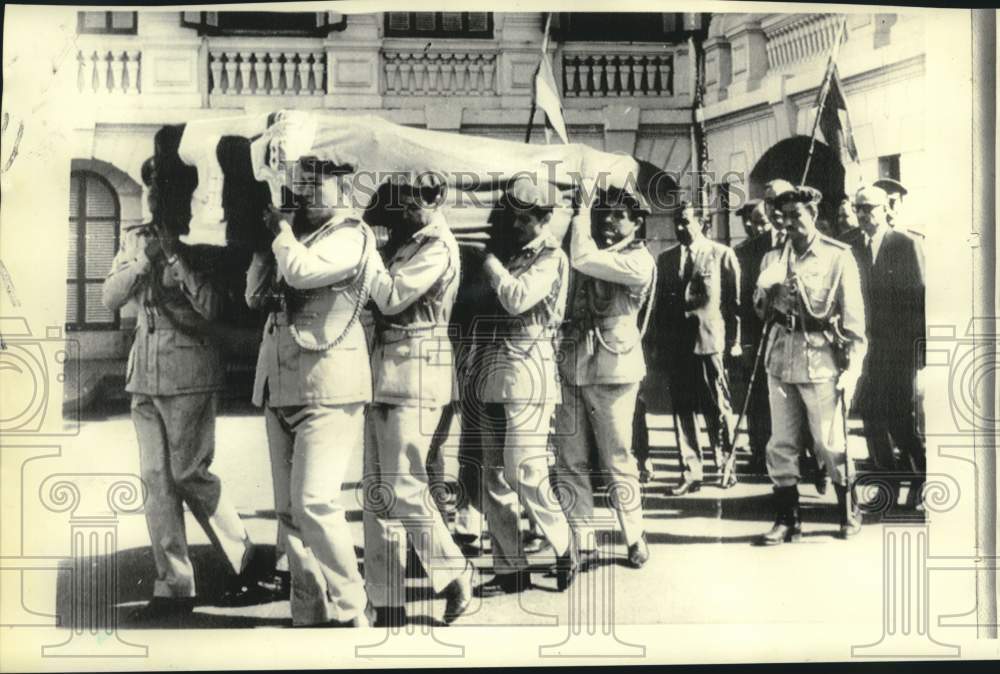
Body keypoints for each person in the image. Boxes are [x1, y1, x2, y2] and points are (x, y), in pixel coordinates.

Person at [103, 157, 269, 623]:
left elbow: (216, 305)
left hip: (190, 373)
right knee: (156, 483)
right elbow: (109, 297)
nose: (154, 194)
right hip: (145, 374)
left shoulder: (203, 239)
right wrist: (144, 263)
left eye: (164, 187)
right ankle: (173, 584)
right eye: (151, 186)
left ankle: (245, 559)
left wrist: (177, 258)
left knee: (189, 473)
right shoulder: (136, 239)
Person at [245, 156, 377, 627]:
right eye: (299, 183)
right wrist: (265, 247)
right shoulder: (296, 236)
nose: (302, 192)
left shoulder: (351, 235)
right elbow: (254, 296)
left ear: (344, 188)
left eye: (314, 184)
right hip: (280, 383)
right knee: (288, 511)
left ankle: (353, 604)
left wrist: (282, 233)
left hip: (328, 385)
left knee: (315, 503)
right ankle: (308, 608)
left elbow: (301, 273)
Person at [361, 179, 474, 626]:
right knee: (378, 491)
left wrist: (367, 248)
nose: (402, 218)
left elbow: (390, 298)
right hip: (384, 372)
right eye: (398, 210)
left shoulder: (438, 247)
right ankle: (387, 600)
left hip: (417, 372)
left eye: (408, 208)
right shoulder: (409, 242)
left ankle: (454, 573)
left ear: (433, 200)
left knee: (405, 485)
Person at [462, 177, 578, 595]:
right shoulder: (517, 253)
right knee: (492, 475)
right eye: (514, 217)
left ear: (547, 218)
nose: (516, 225)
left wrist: (489, 262)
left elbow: (516, 298)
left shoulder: (550, 257)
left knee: (525, 470)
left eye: (525, 219)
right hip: (493, 368)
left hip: (529, 370)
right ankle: (510, 568)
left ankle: (565, 544)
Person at [753, 186, 867, 545]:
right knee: (780, 443)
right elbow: (760, 312)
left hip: (820, 359)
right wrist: (769, 292)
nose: (790, 224)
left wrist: (855, 366)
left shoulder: (838, 257)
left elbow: (854, 320)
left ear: (813, 216)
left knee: (829, 443)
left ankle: (848, 510)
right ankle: (788, 519)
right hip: (781, 357)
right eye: (784, 217)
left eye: (797, 217)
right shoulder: (774, 258)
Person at [554, 184, 655, 569]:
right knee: (570, 458)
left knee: (617, 458)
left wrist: (579, 215)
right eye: (603, 214)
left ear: (636, 222)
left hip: (614, 367)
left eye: (619, 215)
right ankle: (584, 537)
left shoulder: (638, 260)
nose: (608, 222)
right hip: (573, 364)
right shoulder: (591, 250)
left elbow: (581, 258)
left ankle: (634, 534)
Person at [653, 200, 741, 495]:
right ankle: (691, 472)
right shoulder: (664, 260)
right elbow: (660, 308)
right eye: (676, 221)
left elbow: (733, 306)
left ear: (702, 222)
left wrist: (734, 343)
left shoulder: (721, 255)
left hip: (710, 344)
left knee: (717, 406)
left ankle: (726, 465)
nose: (680, 227)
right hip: (677, 348)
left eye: (686, 221)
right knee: (683, 410)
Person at [850, 185, 927, 507]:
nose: (864, 215)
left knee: (900, 420)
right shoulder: (849, 244)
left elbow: (919, 299)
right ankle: (887, 487)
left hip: (899, 351)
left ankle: (922, 479)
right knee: (871, 419)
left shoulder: (905, 244)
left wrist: (920, 353)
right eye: (859, 208)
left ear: (885, 210)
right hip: (865, 350)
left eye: (870, 208)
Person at [733, 200, 779, 475]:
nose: (756, 226)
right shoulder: (743, 252)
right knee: (756, 397)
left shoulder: (780, 250)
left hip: (780, 332)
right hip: (753, 332)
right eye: (753, 221)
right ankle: (759, 452)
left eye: (762, 221)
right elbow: (739, 299)